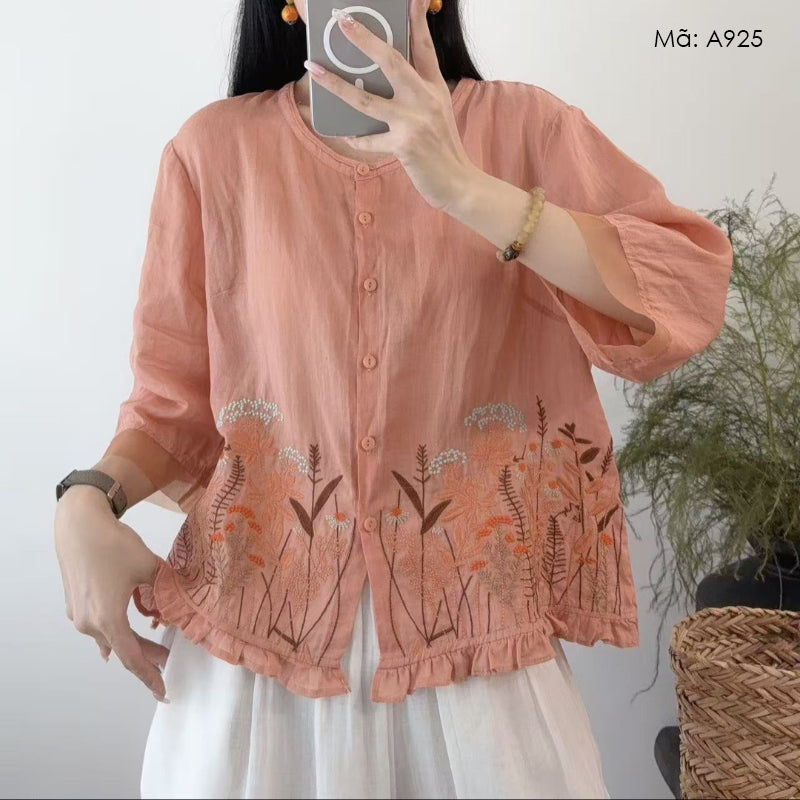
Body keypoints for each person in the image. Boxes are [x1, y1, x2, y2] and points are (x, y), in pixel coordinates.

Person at [53, 0, 734, 797]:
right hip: (251, 684)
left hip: (479, 675)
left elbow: (687, 284)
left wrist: (467, 187)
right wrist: (84, 502)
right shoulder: (212, 153)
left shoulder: (528, 130)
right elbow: (169, 412)